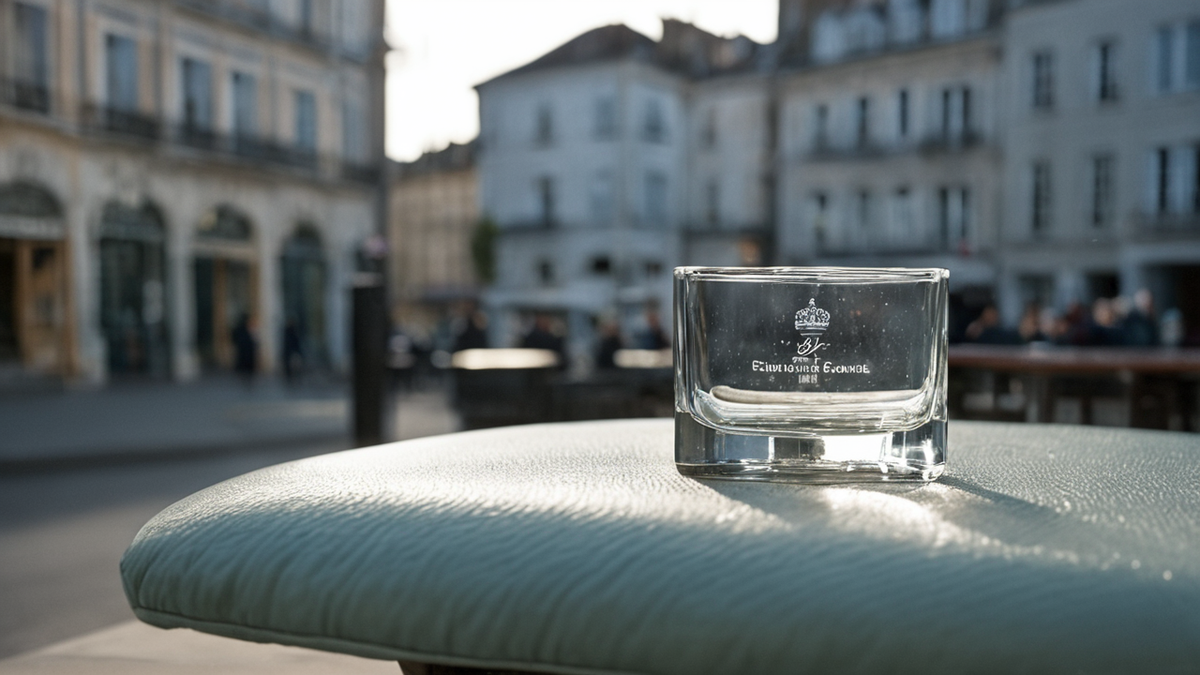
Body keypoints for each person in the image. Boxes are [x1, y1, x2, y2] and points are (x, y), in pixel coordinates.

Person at [232, 313, 258, 385]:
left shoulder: (241, 328)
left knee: (244, 362)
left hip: (244, 348)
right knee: (246, 363)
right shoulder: (245, 328)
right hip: (246, 348)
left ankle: (245, 375)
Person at [282, 319, 303, 384]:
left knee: (292, 365)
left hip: (290, 351)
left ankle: (292, 376)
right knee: (290, 365)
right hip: (290, 351)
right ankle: (291, 376)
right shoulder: (290, 332)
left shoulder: (289, 332)